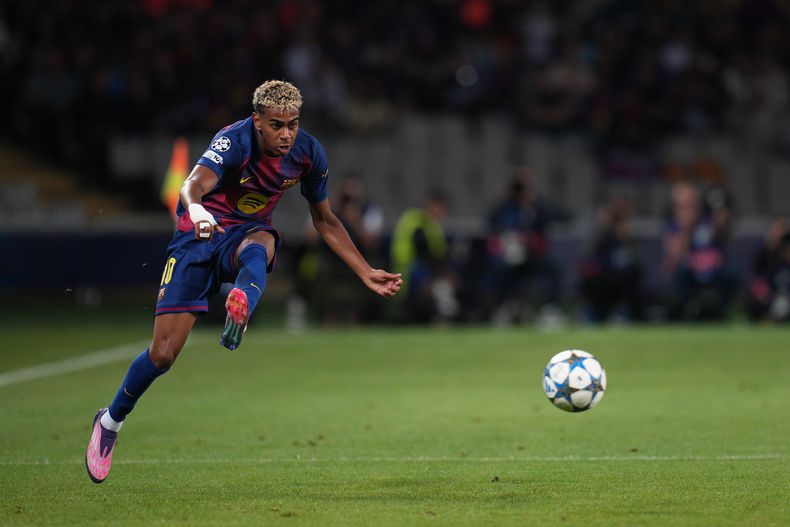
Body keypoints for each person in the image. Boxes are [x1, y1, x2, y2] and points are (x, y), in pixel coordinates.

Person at [85, 80, 403, 483]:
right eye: (276, 125)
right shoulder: (233, 140)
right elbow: (191, 185)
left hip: (245, 233)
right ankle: (110, 423)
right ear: (257, 121)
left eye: (292, 124)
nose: (286, 134)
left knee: (263, 245)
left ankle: (241, 306)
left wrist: (365, 270)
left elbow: (324, 220)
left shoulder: (308, 153)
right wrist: (198, 211)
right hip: (196, 237)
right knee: (163, 354)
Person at [390, 190, 458, 323]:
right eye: (440, 208)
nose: (442, 213)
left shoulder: (431, 225)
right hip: (408, 272)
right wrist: (433, 277)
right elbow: (423, 252)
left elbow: (439, 253)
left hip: (415, 271)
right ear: (431, 205)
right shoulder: (418, 221)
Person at [579, 197, 644, 322]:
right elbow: (593, 261)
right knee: (592, 282)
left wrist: (625, 239)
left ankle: (625, 313)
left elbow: (634, 264)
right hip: (605, 281)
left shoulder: (630, 241)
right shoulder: (603, 239)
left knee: (633, 278)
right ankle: (594, 314)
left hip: (623, 281)